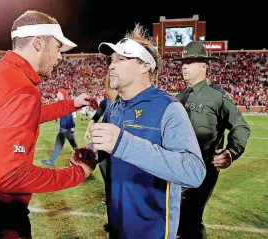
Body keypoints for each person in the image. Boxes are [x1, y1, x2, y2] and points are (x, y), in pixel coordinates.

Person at [0, 10, 94, 239]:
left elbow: (16, 116)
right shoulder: (21, 89)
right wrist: (76, 173)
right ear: (38, 44)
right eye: (57, 47)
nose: (60, 57)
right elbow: (9, 176)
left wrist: (71, 104)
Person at [90, 24, 206, 239]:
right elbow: (109, 149)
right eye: (111, 60)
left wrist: (124, 144)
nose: (111, 66)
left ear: (145, 66)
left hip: (152, 230)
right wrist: (90, 153)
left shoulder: (169, 108)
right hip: (117, 225)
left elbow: (194, 172)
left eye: (121, 59)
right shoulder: (115, 106)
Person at [173, 41, 251, 239]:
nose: (184, 66)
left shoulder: (217, 96)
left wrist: (231, 152)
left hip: (203, 168)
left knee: (190, 218)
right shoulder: (180, 97)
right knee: (176, 218)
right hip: (177, 166)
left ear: (204, 67)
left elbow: (241, 127)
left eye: (190, 62)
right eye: (183, 62)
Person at [42, 89, 78, 167]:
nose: (57, 94)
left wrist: (72, 126)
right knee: (73, 143)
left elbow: (70, 116)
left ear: (62, 95)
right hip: (66, 129)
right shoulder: (62, 103)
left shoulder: (64, 104)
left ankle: (51, 161)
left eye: (58, 93)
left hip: (65, 129)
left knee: (58, 144)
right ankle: (80, 154)